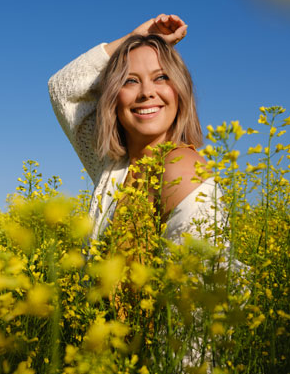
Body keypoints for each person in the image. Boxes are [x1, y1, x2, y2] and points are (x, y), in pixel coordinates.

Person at [48, 14, 222, 249]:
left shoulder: (181, 170)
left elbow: (200, 280)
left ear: (180, 91)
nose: (146, 92)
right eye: (130, 81)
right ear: (112, 99)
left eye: (161, 77)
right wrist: (136, 37)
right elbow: (63, 89)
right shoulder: (114, 166)